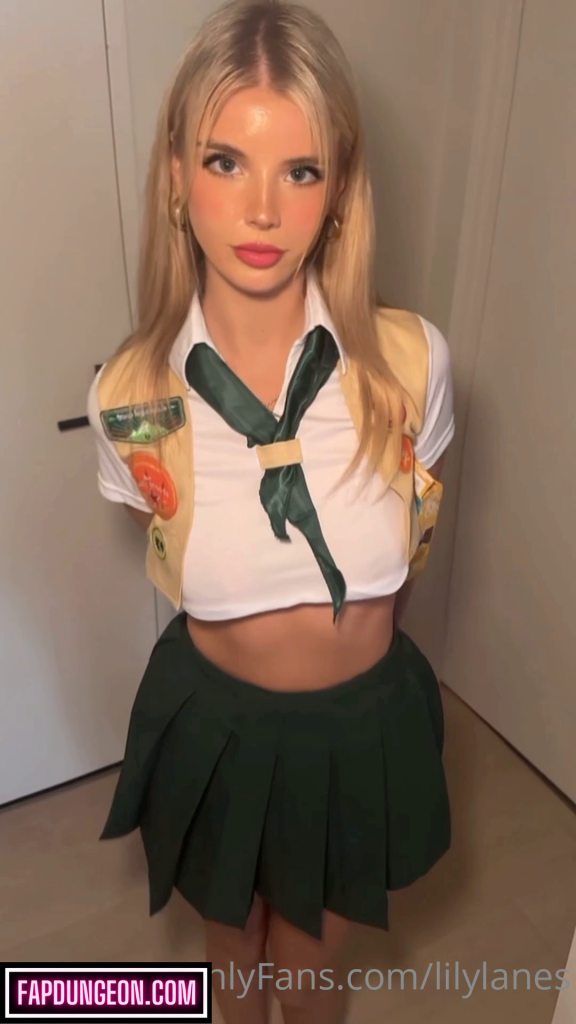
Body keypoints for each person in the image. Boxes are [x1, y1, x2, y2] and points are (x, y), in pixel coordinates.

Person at [87, 1, 455, 1021]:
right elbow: (172, 546)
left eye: (299, 170)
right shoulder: (129, 395)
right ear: (176, 175)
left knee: (310, 963)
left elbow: (414, 538)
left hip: (358, 725)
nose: (262, 211)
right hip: (215, 720)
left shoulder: (413, 364)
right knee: (232, 947)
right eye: (225, 162)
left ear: (337, 190)